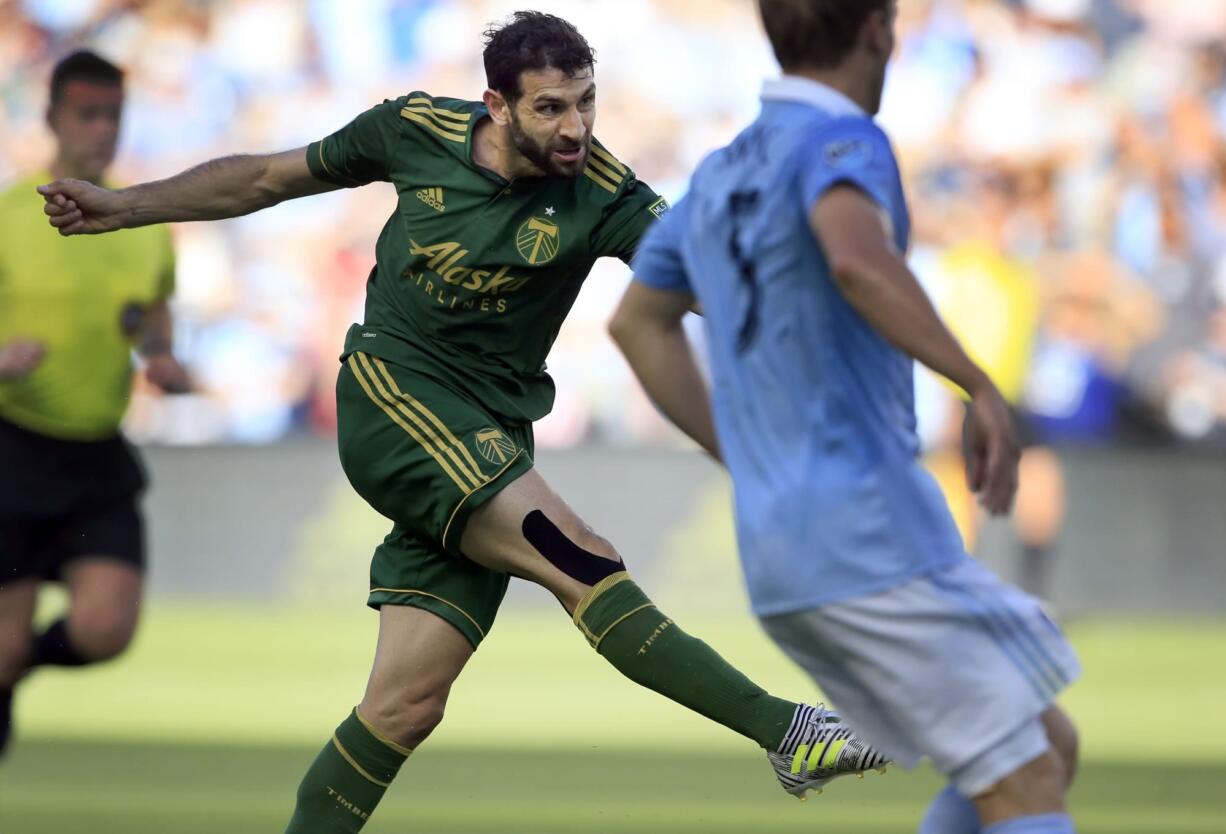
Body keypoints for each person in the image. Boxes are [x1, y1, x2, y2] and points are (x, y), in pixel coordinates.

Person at [37, 13, 886, 831]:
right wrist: (128, 205)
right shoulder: (412, 129)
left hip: (487, 437)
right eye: (550, 107)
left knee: (403, 708)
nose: (574, 126)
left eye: (585, 101)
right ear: (498, 106)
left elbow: (703, 281)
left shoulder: (604, 193)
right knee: (577, 557)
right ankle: (787, 733)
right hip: (393, 395)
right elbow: (267, 178)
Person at [609, 2, 1082, 833]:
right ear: (877, 30)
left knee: (1038, 742)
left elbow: (637, 322)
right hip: (867, 531)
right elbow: (855, 256)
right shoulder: (845, 141)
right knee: (1027, 778)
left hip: (780, 546)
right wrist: (976, 381)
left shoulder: (719, 171)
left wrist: (744, 456)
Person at [0, 50, 188, 755]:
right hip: (13, 447)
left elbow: (152, 315)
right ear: (51, 118)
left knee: (107, 628)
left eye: (113, 114)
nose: (102, 129)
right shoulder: (11, 216)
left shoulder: (140, 224)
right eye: (88, 113)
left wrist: (161, 356)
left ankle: (16, 664)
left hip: (95, 453)